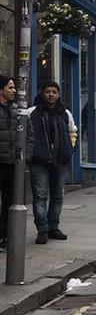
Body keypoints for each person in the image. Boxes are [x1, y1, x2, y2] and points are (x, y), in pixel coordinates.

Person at [26, 82, 76, 244]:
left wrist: (70, 149)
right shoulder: (31, 113)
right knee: (40, 196)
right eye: (47, 91)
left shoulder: (65, 113)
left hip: (60, 161)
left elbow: (72, 131)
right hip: (39, 162)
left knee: (58, 195)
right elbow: (26, 135)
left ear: (59, 94)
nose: (51, 95)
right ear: (42, 93)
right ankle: (42, 230)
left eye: (54, 92)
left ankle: (53, 226)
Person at [0, 76, 24, 249]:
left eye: (14, 87)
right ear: (1, 90)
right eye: (10, 88)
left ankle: (5, 237)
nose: (14, 90)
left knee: (9, 202)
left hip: (11, 163)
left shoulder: (17, 110)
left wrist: (23, 156)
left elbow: (26, 135)